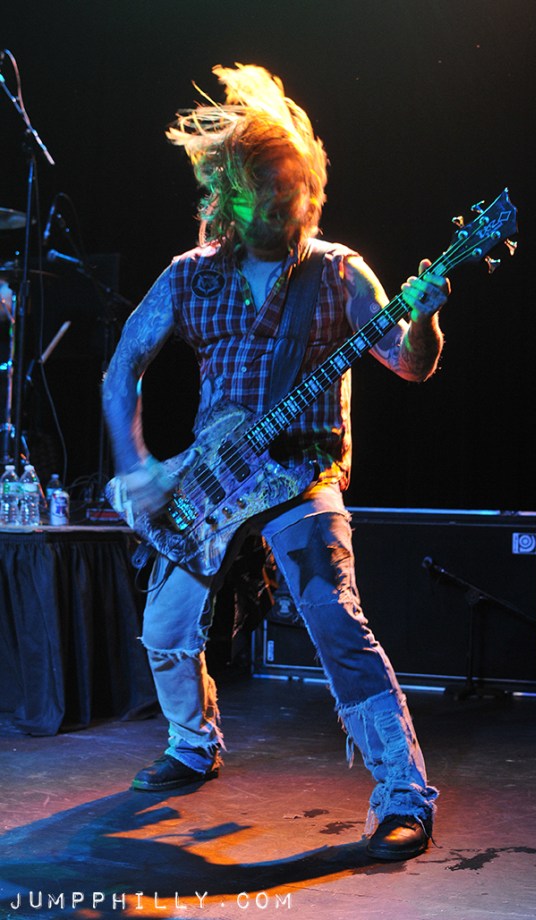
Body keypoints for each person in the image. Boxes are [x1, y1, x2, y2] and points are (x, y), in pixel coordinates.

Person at [102, 63, 450, 862]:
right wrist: (139, 467)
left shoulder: (339, 272)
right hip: (211, 484)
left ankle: (403, 794)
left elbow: (408, 364)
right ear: (233, 199)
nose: (289, 209)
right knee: (163, 628)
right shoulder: (190, 276)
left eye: (299, 193)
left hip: (300, 477)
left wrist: (426, 321)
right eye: (271, 196)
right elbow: (122, 366)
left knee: (336, 621)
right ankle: (193, 745)